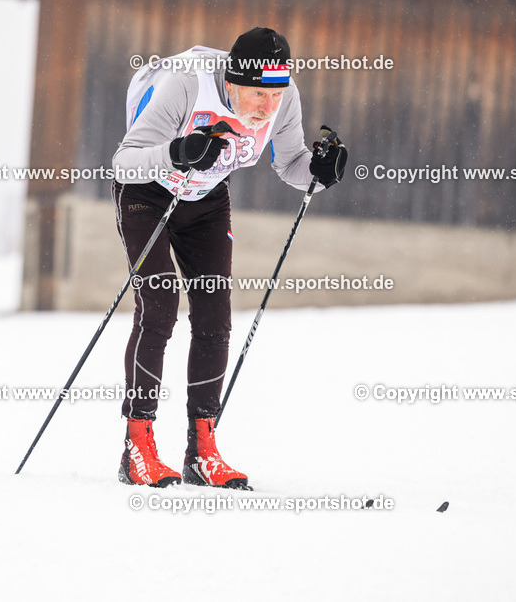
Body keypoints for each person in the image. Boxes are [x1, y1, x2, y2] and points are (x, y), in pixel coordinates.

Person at [111, 27, 347, 488]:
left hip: (207, 198)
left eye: (274, 96)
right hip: (146, 193)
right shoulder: (186, 83)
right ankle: (137, 444)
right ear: (232, 81)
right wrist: (178, 152)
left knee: (215, 315)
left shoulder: (284, 95)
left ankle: (202, 449)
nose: (266, 107)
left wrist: (319, 171)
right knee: (159, 306)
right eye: (256, 95)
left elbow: (291, 163)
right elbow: (124, 162)